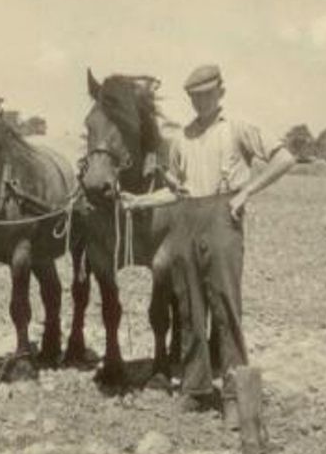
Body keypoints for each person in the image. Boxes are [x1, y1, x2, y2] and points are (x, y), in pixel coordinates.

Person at [120, 63, 295, 422]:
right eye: (195, 97)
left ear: (220, 93)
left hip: (222, 218)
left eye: (207, 95)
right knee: (189, 309)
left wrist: (247, 192)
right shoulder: (183, 137)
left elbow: (285, 157)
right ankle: (196, 389)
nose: (201, 102)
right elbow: (175, 190)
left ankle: (234, 397)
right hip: (186, 218)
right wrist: (138, 201)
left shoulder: (238, 127)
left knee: (225, 308)